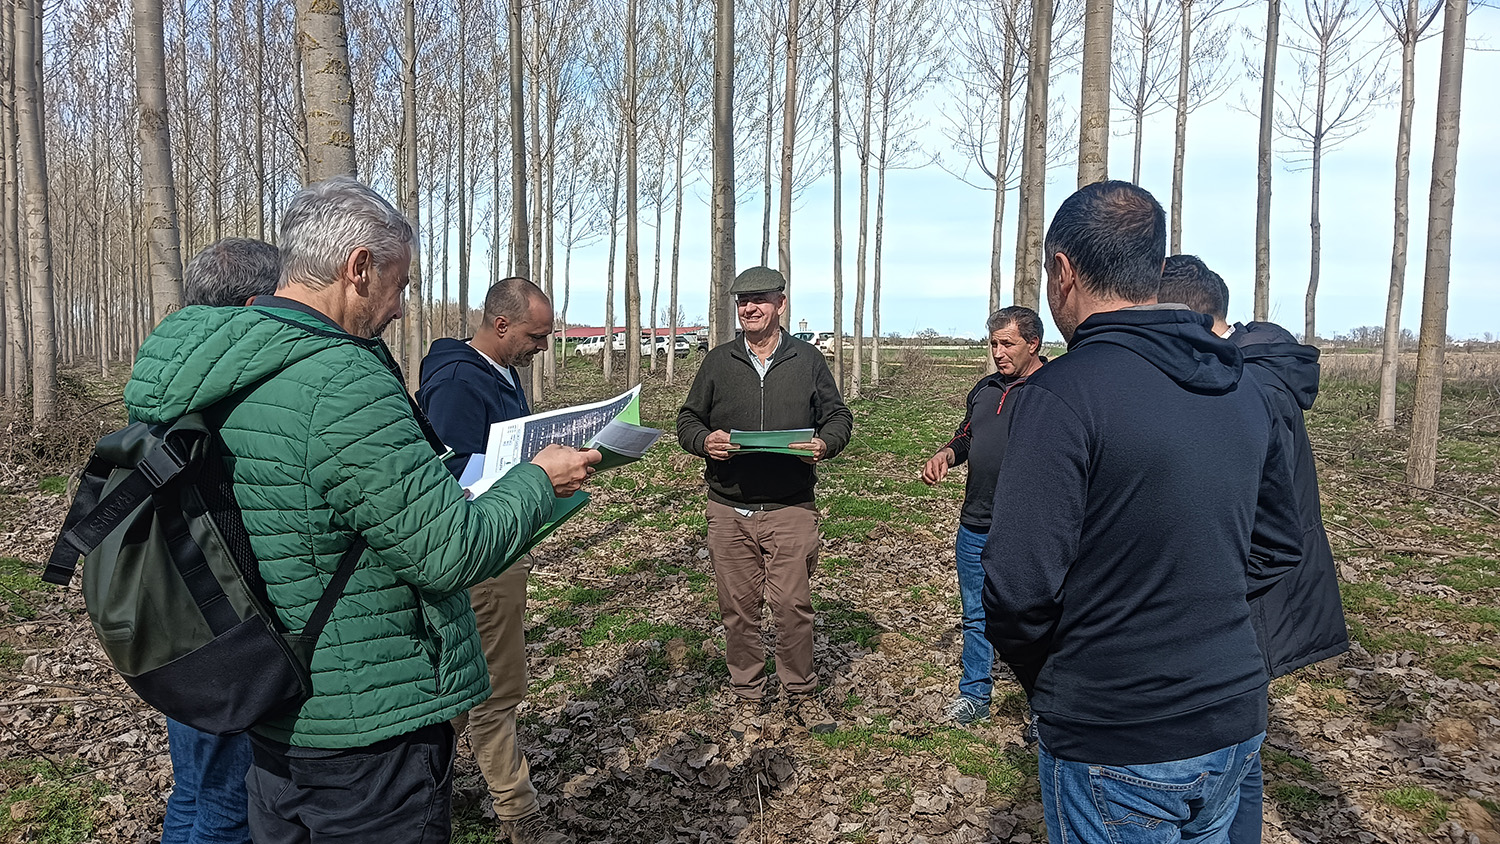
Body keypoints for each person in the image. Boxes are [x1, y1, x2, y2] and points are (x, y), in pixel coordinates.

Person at [123, 177, 599, 843]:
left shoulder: (215, 366)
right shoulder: (341, 382)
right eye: (399, 286)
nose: (402, 308)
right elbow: (448, 552)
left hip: (268, 697)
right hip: (368, 723)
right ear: (357, 267)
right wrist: (537, 481)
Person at [982, 181, 1303, 843]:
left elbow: (1017, 588)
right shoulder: (1244, 387)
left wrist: (1063, 678)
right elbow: (1277, 546)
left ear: (1063, 272)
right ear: (1154, 273)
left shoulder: (1062, 396)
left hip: (1117, 735)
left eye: (1049, 273)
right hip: (1234, 716)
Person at [1161, 253, 1349, 844]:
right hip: (1258, 592)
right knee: (1238, 754)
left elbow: (1253, 516)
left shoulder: (1248, 387)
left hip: (1248, 598)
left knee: (1227, 757)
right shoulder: (1261, 371)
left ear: (1183, 319)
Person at [416, 278, 571, 844]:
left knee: (468, 683)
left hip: (505, 541)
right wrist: (533, 476)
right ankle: (517, 810)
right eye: (536, 335)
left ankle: (421, 780)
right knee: (494, 686)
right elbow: (452, 475)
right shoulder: (458, 382)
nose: (543, 347)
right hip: (481, 551)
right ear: (501, 326)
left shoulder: (500, 373)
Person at [676, 266, 853, 736]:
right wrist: (703, 442)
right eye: (742, 302)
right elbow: (688, 419)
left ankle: (799, 690)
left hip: (790, 505)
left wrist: (826, 443)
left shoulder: (808, 360)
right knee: (738, 609)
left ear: (781, 303)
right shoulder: (717, 362)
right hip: (728, 507)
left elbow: (837, 416)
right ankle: (748, 691)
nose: (749, 308)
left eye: (759, 299)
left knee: (793, 606)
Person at [159, 237, 282, 844]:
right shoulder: (233, 387)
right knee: (229, 806)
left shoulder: (167, 368)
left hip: (174, 614)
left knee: (195, 787)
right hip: (226, 623)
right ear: (257, 301)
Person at [920, 306, 1046, 726]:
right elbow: (968, 434)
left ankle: (1044, 709)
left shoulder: (1054, 390)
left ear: (1034, 344)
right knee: (976, 614)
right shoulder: (986, 388)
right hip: (976, 523)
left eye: (1007, 343)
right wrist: (946, 454)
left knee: (1036, 618)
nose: (998, 352)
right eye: (993, 343)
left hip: (1030, 530)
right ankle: (975, 695)